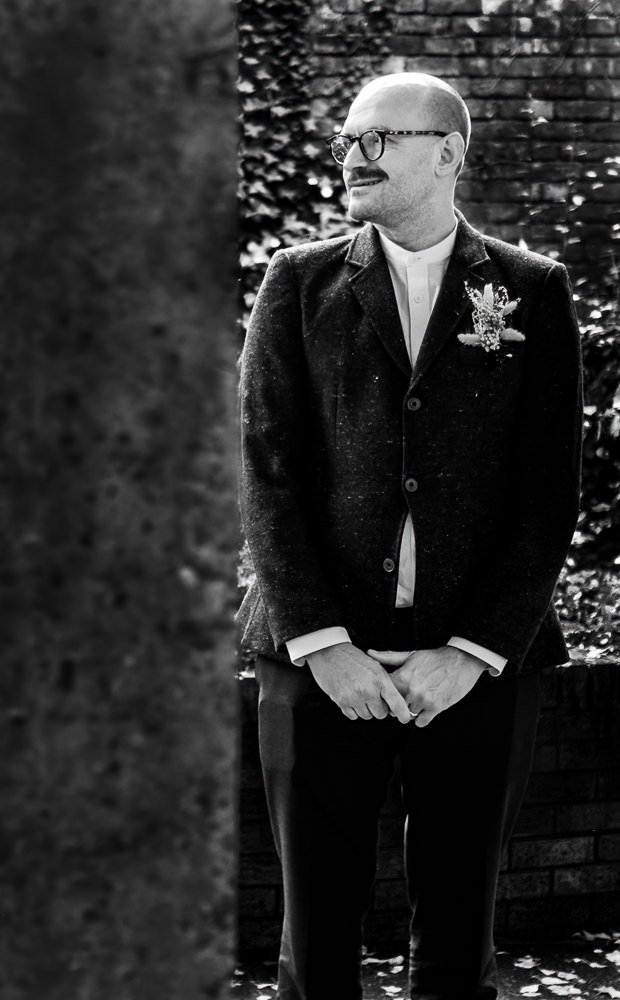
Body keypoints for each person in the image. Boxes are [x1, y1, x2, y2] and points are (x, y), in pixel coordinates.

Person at [238, 72, 583, 998]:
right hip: (317, 662)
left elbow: (549, 491)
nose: (353, 155)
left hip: (475, 669)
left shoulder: (532, 291)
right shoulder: (297, 283)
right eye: (349, 137)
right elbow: (267, 474)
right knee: (314, 935)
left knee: (460, 924)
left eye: (379, 139)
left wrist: (471, 652)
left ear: (448, 154)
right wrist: (324, 645)